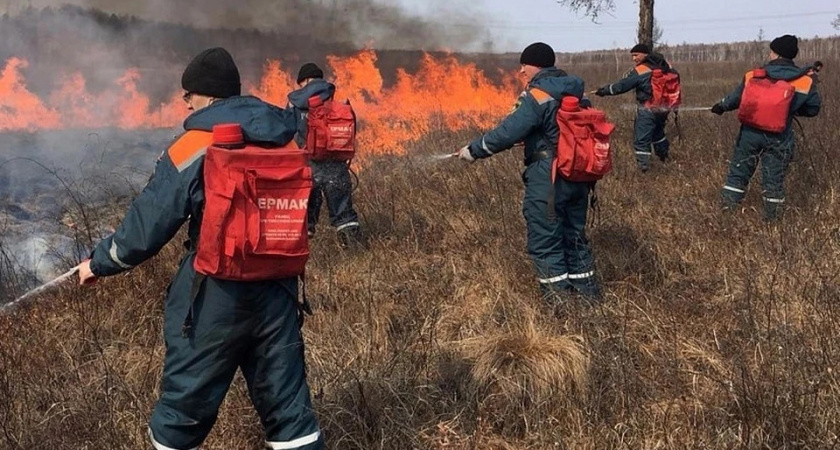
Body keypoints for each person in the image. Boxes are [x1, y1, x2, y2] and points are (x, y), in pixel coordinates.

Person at [77, 48, 324, 450]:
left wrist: (100, 263)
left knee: (181, 413)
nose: (185, 102)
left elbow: (147, 227)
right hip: (279, 292)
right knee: (291, 414)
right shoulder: (284, 135)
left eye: (188, 94)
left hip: (215, 295)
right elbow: (307, 204)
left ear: (207, 96)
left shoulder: (193, 144)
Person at [455, 42, 601, 301]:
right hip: (579, 174)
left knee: (546, 240)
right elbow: (559, 130)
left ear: (536, 65)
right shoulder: (577, 93)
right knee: (574, 237)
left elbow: (507, 132)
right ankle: (589, 300)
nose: (521, 71)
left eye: (524, 65)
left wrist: (474, 150)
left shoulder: (536, 95)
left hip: (549, 178)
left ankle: (561, 308)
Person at [710, 35, 821, 221]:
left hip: (749, 134)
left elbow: (735, 99)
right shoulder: (805, 80)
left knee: (738, 175)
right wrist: (788, 110)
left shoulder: (753, 75)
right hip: (780, 136)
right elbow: (813, 109)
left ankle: (725, 216)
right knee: (774, 181)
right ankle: (773, 224)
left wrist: (720, 106)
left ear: (775, 54)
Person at [287, 63, 362, 247]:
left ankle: (301, 258)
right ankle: (355, 254)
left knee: (304, 217)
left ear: (304, 80)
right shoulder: (335, 100)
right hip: (336, 165)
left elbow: (287, 130)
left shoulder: (295, 102)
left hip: (307, 166)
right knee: (344, 216)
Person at [592, 44, 678, 172]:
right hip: (664, 109)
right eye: (632, 56)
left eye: (636, 55)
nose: (634, 58)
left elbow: (621, 86)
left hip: (647, 110)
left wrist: (604, 91)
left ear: (645, 54)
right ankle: (664, 159)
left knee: (641, 141)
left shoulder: (641, 70)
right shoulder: (666, 66)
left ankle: (644, 170)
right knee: (658, 134)